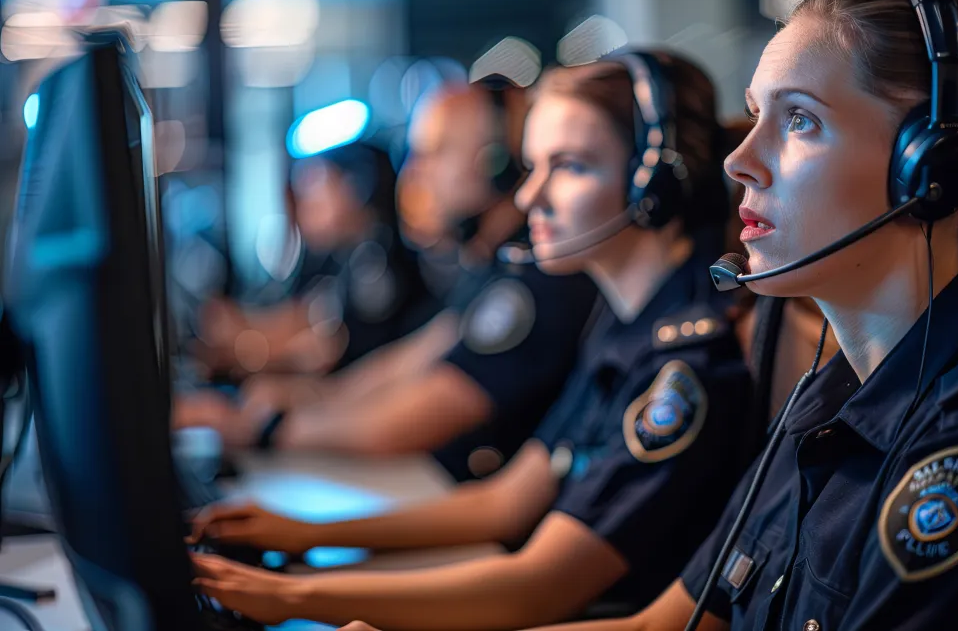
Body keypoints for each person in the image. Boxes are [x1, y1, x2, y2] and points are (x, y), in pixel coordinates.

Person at [442, 0, 958, 631]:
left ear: (931, 166)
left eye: (800, 120)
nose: (738, 159)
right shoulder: (826, 397)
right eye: (755, 115)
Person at [187, 50, 761, 630]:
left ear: (656, 182)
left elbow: (540, 585)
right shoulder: (624, 325)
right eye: (532, 165)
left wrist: (296, 596)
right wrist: (307, 537)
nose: (526, 197)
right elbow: (506, 502)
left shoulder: (685, 362)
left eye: (569, 166)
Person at [175, 78, 600, 482]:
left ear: (497, 166)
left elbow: (403, 422)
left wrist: (262, 427)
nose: (415, 174)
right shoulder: (494, 269)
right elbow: (400, 367)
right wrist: (297, 401)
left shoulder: (533, 282)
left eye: (433, 153)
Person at [190, 142, 440, 379]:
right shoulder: (339, 255)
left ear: (357, 187)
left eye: (313, 187)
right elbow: (305, 315)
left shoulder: (377, 261)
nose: (304, 204)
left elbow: (328, 347)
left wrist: (243, 353)